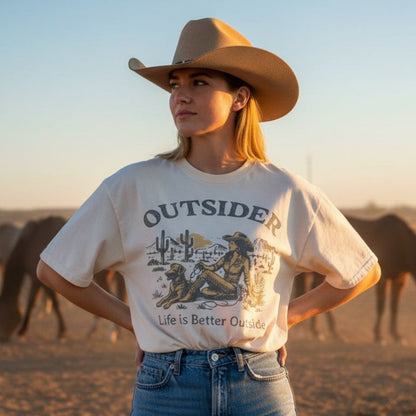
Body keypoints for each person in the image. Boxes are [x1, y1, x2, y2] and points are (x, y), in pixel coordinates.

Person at [37, 17, 381, 416]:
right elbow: (55, 271)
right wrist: (138, 322)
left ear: (239, 98)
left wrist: (283, 318)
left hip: (257, 385)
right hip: (167, 386)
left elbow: (361, 272)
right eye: (174, 85)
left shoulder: (286, 190)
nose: (180, 96)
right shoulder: (132, 186)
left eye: (199, 82)